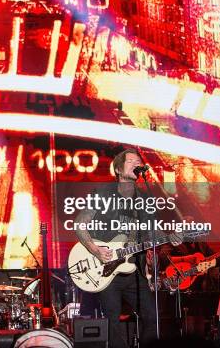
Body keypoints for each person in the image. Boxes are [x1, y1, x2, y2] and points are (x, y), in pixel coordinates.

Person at [74, 148, 182, 347]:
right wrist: (95, 249)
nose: (136, 164)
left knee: (152, 317)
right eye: (130, 161)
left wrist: (170, 236)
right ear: (117, 169)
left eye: (138, 161)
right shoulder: (103, 193)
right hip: (106, 269)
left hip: (135, 270)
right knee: (112, 321)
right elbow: (80, 223)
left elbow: (152, 232)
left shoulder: (145, 199)